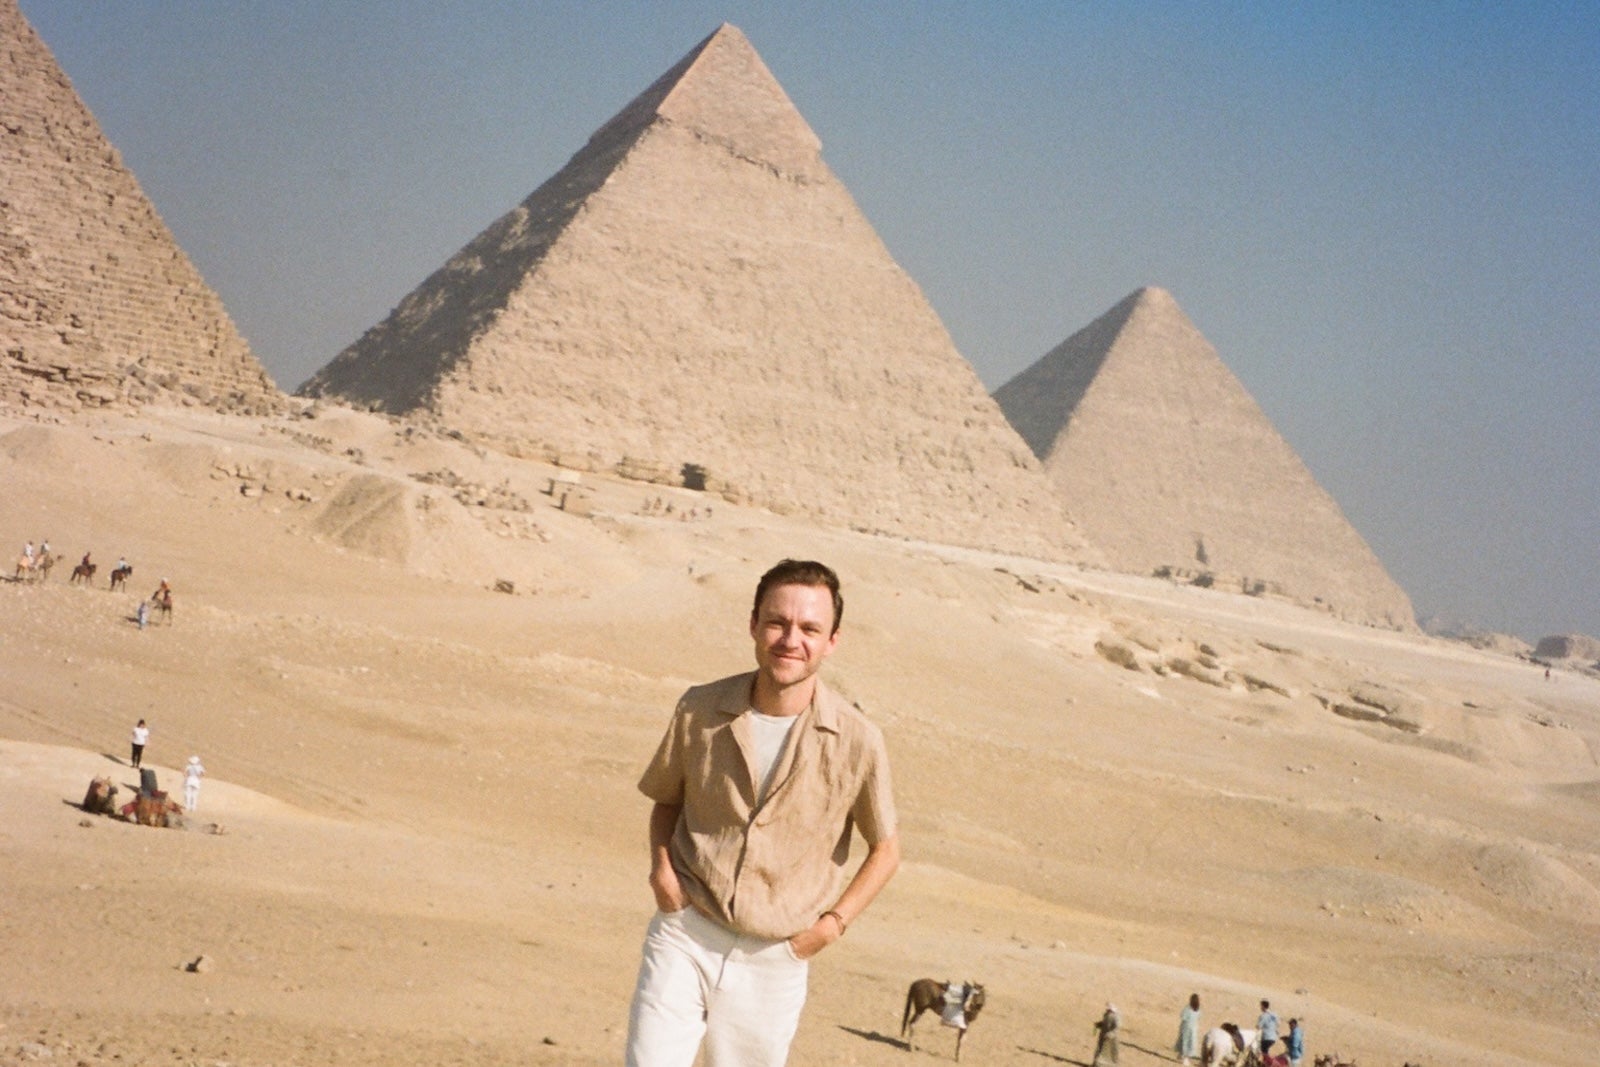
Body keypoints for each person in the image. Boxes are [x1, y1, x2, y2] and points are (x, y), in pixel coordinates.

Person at [625, 559, 899, 1067]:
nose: (790, 639)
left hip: (775, 957)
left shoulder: (858, 740)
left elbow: (885, 848)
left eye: (810, 628)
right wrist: (663, 874)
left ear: (832, 640)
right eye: (777, 622)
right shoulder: (700, 709)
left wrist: (830, 927)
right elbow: (667, 799)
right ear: (753, 624)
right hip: (686, 932)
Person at [1175, 992, 1201, 1064]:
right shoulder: (1198, 1009)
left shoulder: (1187, 1008)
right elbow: (1199, 1017)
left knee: (1184, 1041)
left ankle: (1182, 1055)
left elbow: (1183, 1016)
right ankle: (1185, 1058)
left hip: (1186, 1027)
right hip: (1193, 1028)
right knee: (1190, 1042)